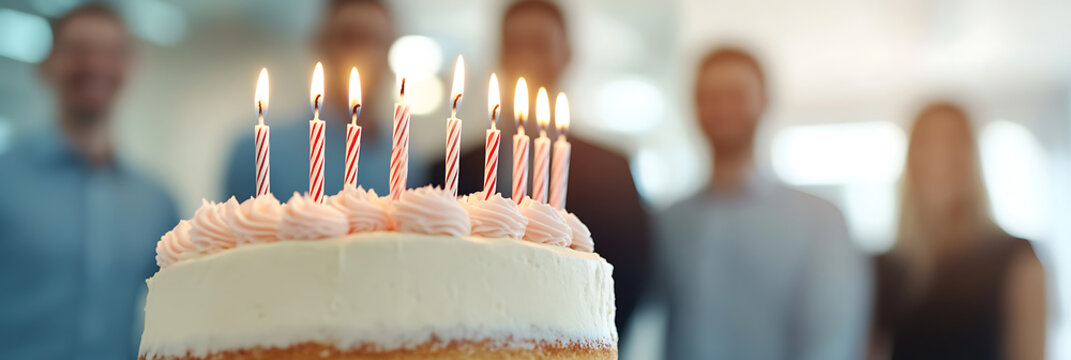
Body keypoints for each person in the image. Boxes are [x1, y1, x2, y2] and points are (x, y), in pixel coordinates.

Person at [429, 0, 652, 340]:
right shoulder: (450, 163)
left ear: (568, 54)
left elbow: (630, 278)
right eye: (514, 44)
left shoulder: (612, 170)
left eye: (540, 44)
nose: (527, 56)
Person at [652, 47, 870, 359]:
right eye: (709, 96)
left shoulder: (821, 223)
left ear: (765, 101)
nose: (722, 107)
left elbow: (830, 344)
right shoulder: (668, 221)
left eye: (736, 94)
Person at [0, 4, 179, 358]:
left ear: (130, 67)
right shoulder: (6, 181)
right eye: (78, 50)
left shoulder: (156, 201)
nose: (95, 64)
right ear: (46, 64)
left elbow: (179, 307)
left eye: (111, 53)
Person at [869, 102, 1046, 360]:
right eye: (927, 142)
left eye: (954, 141)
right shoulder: (883, 268)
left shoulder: (1017, 258)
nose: (940, 155)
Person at [224, 0, 427, 199]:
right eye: (347, 38)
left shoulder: (405, 156)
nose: (360, 51)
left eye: (373, 39)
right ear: (321, 45)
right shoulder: (259, 152)